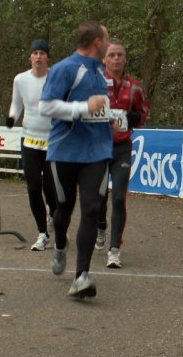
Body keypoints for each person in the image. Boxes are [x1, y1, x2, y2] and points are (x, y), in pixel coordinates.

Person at [38, 21, 111, 299]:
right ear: (96, 42)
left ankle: (81, 276)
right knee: (63, 210)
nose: (108, 42)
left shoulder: (100, 72)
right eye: (105, 38)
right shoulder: (65, 69)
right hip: (65, 151)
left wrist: (111, 119)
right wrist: (83, 107)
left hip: (97, 151)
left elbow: (98, 110)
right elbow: (46, 106)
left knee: (92, 208)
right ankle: (59, 244)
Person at [95, 38, 149, 268]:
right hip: (96, 148)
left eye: (120, 55)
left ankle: (114, 249)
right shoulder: (94, 83)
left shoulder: (134, 87)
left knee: (118, 197)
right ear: (104, 59)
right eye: (112, 55)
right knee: (98, 199)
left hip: (122, 148)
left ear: (125, 59)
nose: (116, 58)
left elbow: (143, 114)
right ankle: (100, 227)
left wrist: (129, 118)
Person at [6, 39, 57, 251]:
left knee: (51, 188)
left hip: (53, 141)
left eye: (42, 53)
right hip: (29, 140)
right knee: (33, 186)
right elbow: (17, 104)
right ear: (30, 57)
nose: (38, 57)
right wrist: (11, 118)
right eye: (34, 53)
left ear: (47, 57)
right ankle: (42, 233)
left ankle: (54, 215)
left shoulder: (56, 77)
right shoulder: (20, 79)